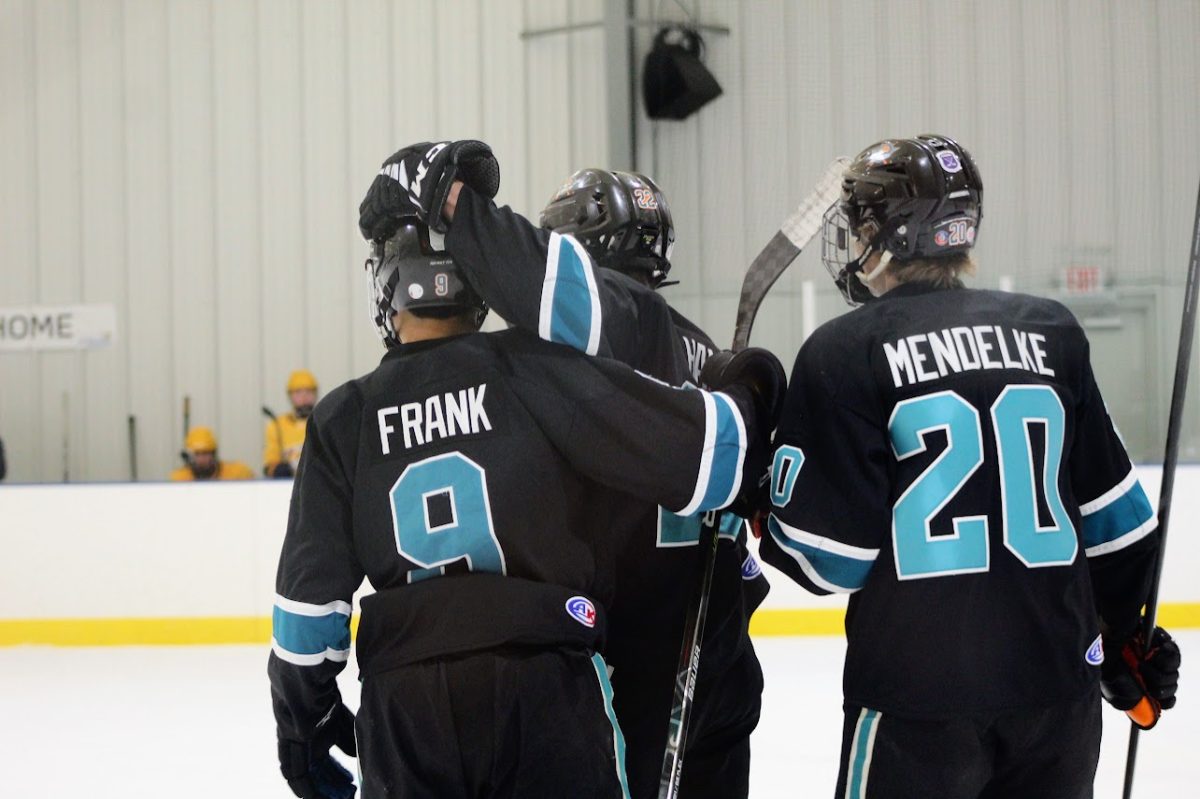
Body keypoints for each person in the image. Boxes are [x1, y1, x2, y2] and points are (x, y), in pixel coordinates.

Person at [269, 204, 785, 795]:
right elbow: (707, 462)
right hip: (544, 678)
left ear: (388, 287)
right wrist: (746, 390)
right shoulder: (535, 368)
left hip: (406, 701)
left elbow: (307, 619)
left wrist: (303, 722)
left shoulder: (344, 416)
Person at [759, 133, 1181, 798]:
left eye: (861, 223)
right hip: (1058, 698)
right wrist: (1128, 633)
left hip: (917, 704)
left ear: (884, 233)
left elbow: (825, 561)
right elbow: (1118, 525)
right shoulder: (1052, 334)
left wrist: (765, 494)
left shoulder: (847, 350)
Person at [264, 369, 318, 478]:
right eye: (298, 392)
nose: (304, 398)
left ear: (315, 394)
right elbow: (270, 465)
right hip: (287, 486)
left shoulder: (324, 422)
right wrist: (277, 469)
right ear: (290, 396)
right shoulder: (277, 425)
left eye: (308, 391)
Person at [170, 426, 254, 481]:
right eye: (197, 454)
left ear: (214, 454)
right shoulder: (180, 478)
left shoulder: (237, 472)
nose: (202, 459)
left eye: (205, 453)